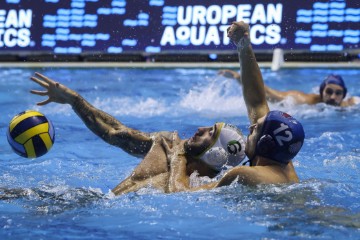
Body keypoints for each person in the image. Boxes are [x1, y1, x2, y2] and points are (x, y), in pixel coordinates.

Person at [29, 73, 247, 195]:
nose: (200, 129)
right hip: (98, 202)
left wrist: (178, 158)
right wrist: (74, 100)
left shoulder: (205, 188)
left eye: (210, 133)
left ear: (215, 154)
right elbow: (115, 133)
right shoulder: (166, 142)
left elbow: (177, 194)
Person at [160, 21, 305, 192]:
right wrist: (243, 46)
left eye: (255, 129)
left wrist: (178, 155)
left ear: (264, 145)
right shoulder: (282, 161)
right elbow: (256, 101)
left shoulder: (244, 174)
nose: (250, 127)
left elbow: (179, 193)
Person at [218, 69, 358, 107]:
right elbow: (269, 94)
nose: (333, 97)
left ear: (344, 94)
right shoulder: (305, 100)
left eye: (338, 93)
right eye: (329, 91)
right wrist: (241, 79)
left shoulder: (352, 104)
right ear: (322, 92)